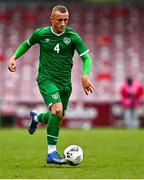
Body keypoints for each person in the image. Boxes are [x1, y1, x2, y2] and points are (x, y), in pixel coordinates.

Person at [8, 5, 94, 165]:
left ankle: (37, 117)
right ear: (52, 19)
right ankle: (51, 153)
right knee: (58, 110)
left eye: (66, 20)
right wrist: (14, 57)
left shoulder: (73, 37)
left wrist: (85, 75)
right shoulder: (41, 33)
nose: (63, 23)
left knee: (58, 115)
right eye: (60, 20)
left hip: (65, 84)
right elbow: (26, 44)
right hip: (46, 79)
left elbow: (86, 58)